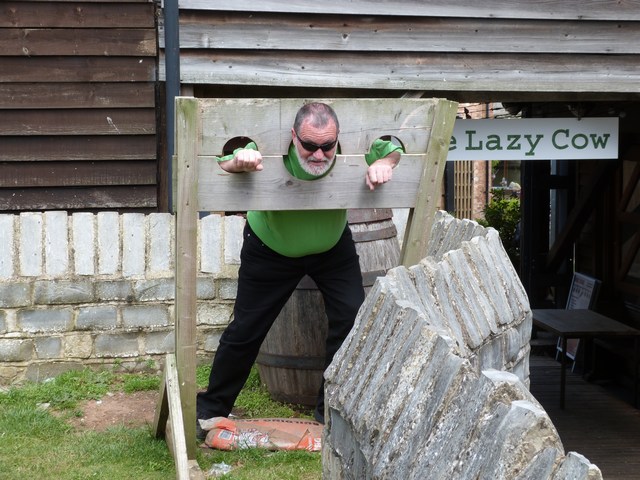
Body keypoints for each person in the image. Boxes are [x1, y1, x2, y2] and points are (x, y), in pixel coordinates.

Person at [196, 102, 402, 437]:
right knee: (246, 330)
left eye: (328, 146)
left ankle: (329, 412)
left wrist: (384, 162)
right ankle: (211, 410)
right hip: (271, 246)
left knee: (351, 319)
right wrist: (238, 161)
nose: (319, 155)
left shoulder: (350, 146)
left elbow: (393, 147)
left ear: (338, 138)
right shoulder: (267, 143)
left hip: (331, 246)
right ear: (292, 137)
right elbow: (223, 160)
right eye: (309, 145)